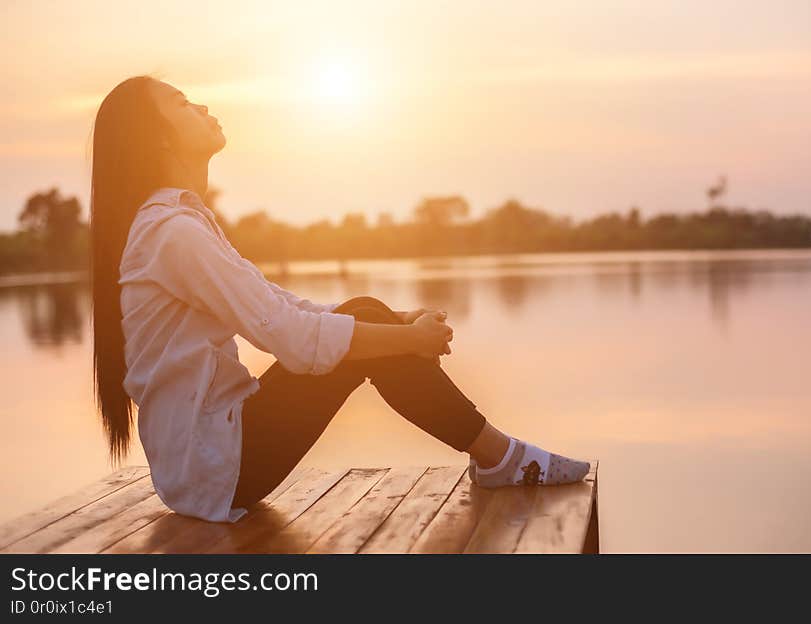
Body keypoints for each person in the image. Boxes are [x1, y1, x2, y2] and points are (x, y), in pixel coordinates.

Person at [89, 75, 590, 522]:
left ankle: (499, 457)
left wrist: (397, 325)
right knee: (365, 322)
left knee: (366, 312)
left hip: (209, 458)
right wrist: (402, 337)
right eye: (183, 104)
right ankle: (502, 458)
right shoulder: (172, 234)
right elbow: (286, 336)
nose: (201, 107)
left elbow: (280, 306)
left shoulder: (181, 224)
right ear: (158, 137)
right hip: (215, 466)